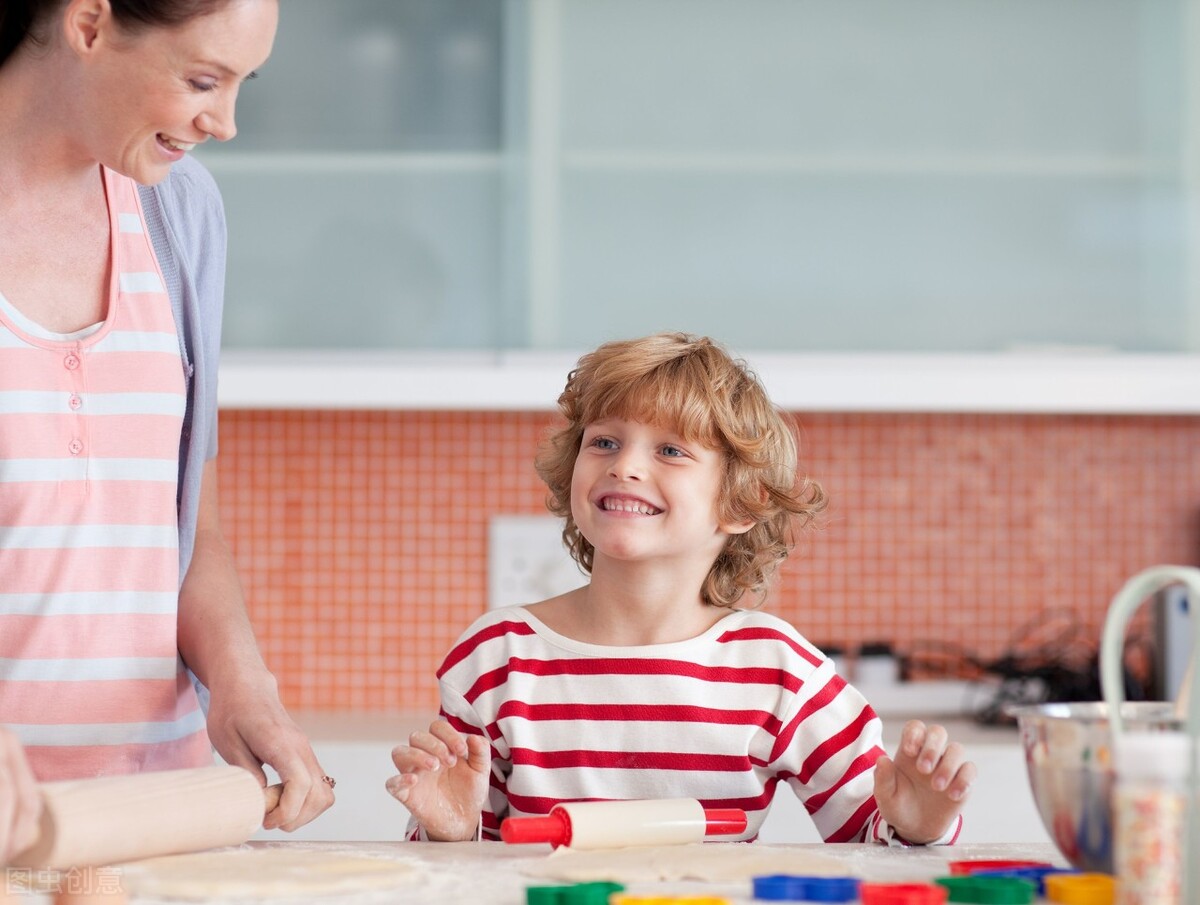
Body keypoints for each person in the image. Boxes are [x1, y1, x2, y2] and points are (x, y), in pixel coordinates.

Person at [387, 332, 976, 845]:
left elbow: (874, 834)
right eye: (605, 442)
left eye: (670, 450)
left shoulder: (776, 670)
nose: (625, 466)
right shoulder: (496, 656)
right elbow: (462, 861)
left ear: (741, 504)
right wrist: (448, 831)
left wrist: (920, 820)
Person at [0, 0, 334, 859]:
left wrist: (242, 682)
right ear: (90, 24)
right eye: (202, 79)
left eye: (238, 86)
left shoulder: (178, 213)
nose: (223, 123)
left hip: (153, 818)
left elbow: (188, 529)